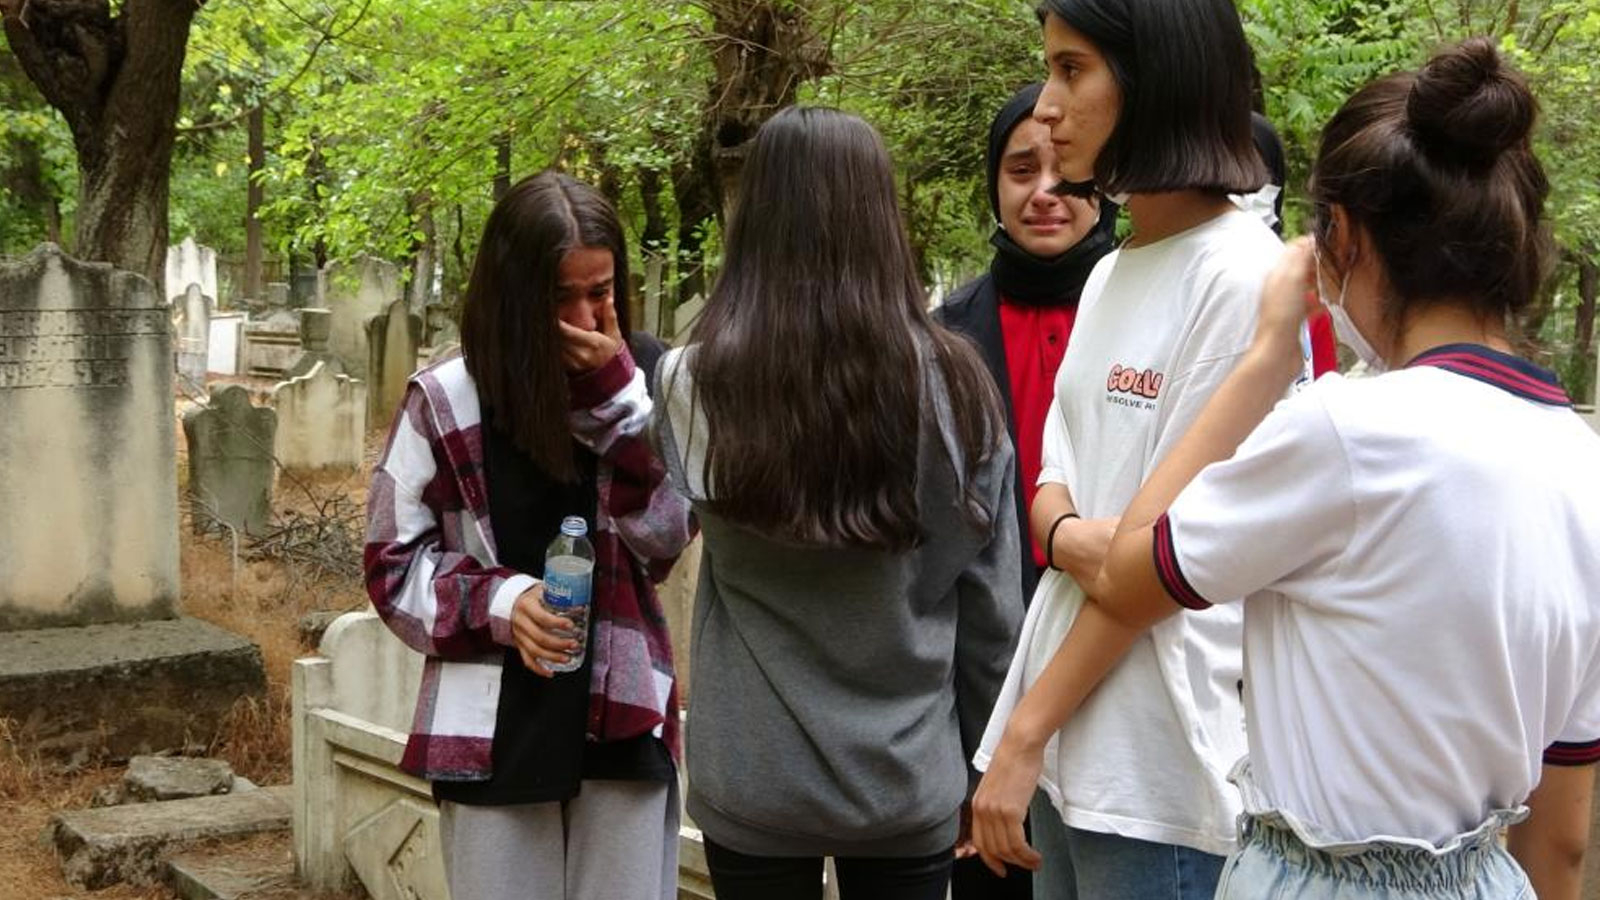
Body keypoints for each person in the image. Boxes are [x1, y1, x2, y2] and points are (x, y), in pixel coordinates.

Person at [984, 37, 1600, 900]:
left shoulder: (1346, 432)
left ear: (1340, 237)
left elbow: (1129, 573)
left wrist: (1265, 360)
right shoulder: (1581, 461)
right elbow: (1562, 835)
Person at [970, 1, 1300, 897]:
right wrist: (1081, 539)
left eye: (1072, 70)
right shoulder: (1112, 270)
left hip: (1160, 772)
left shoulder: (1240, 277)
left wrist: (1024, 733)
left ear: (1155, 77)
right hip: (1068, 747)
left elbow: (1163, 563)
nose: (1046, 105)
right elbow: (1051, 478)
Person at [654, 106, 1022, 900]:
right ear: (880, 217)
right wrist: (982, 765)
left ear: (755, 218)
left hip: (753, 772)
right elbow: (992, 610)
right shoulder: (959, 387)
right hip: (906, 773)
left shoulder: (691, 382)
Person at [364, 171, 693, 900]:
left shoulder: (649, 381)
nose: (583, 318)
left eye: (600, 292)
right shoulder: (445, 399)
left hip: (624, 718)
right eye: (558, 298)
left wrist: (617, 405)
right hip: (492, 735)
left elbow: (668, 538)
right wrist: (502, 605)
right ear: (514, 295)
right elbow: (391, 565)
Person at [936, 81, 1115, 900]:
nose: (1045, 193)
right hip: (982, 679)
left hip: (1116, 650)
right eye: (1019, 171)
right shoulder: (945, 336)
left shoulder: (1143, 314)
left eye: (1064, 173)